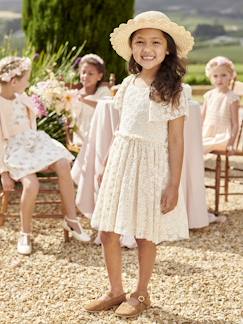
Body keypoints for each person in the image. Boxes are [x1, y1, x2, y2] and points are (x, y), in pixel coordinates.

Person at [84, 11, 194, 318]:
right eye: (140, 42)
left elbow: (176, 140)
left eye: (156, 42)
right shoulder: (128, 85)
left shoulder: (175, 90)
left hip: (151, 164)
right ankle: (115, 290)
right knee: (108, 230)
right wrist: (106, 162)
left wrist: (173, 184)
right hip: (122, 159)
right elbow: (121, 129)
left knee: (146, 231)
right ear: (132, 48)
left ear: (168, 48)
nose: (147, 48)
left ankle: (141, 292)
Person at [0, 56, 91, 255]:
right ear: (14, 81)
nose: (28, 83)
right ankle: (25, 232)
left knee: (63, 163)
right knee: (32, 185)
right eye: (26, 79)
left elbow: (32, 120)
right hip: (14, 151)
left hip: (34, 142)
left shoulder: (21, 97)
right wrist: (3, 172)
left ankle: (71, 220)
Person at [71, 54, 112, 146]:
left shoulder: (103, 91)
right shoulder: (76, 94)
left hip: (98, 136)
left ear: (99, 76)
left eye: (90, 74)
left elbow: (106, 107)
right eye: (83, 72)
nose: (85, 76)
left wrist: (83, 100)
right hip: (80, 136)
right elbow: (73, 117)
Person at [202, 56, 240, 154]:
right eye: (215, 76)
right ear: (210, 77)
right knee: (190, 142)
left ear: (231, 76)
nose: (219, 79)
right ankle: (195, 167)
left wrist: (231, 143)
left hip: (223, 136)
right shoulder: (209, 95)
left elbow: (235, 124)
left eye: (223, 75)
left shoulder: (232, 97)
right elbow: (202, 118)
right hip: (207, 133)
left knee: (198, 146)